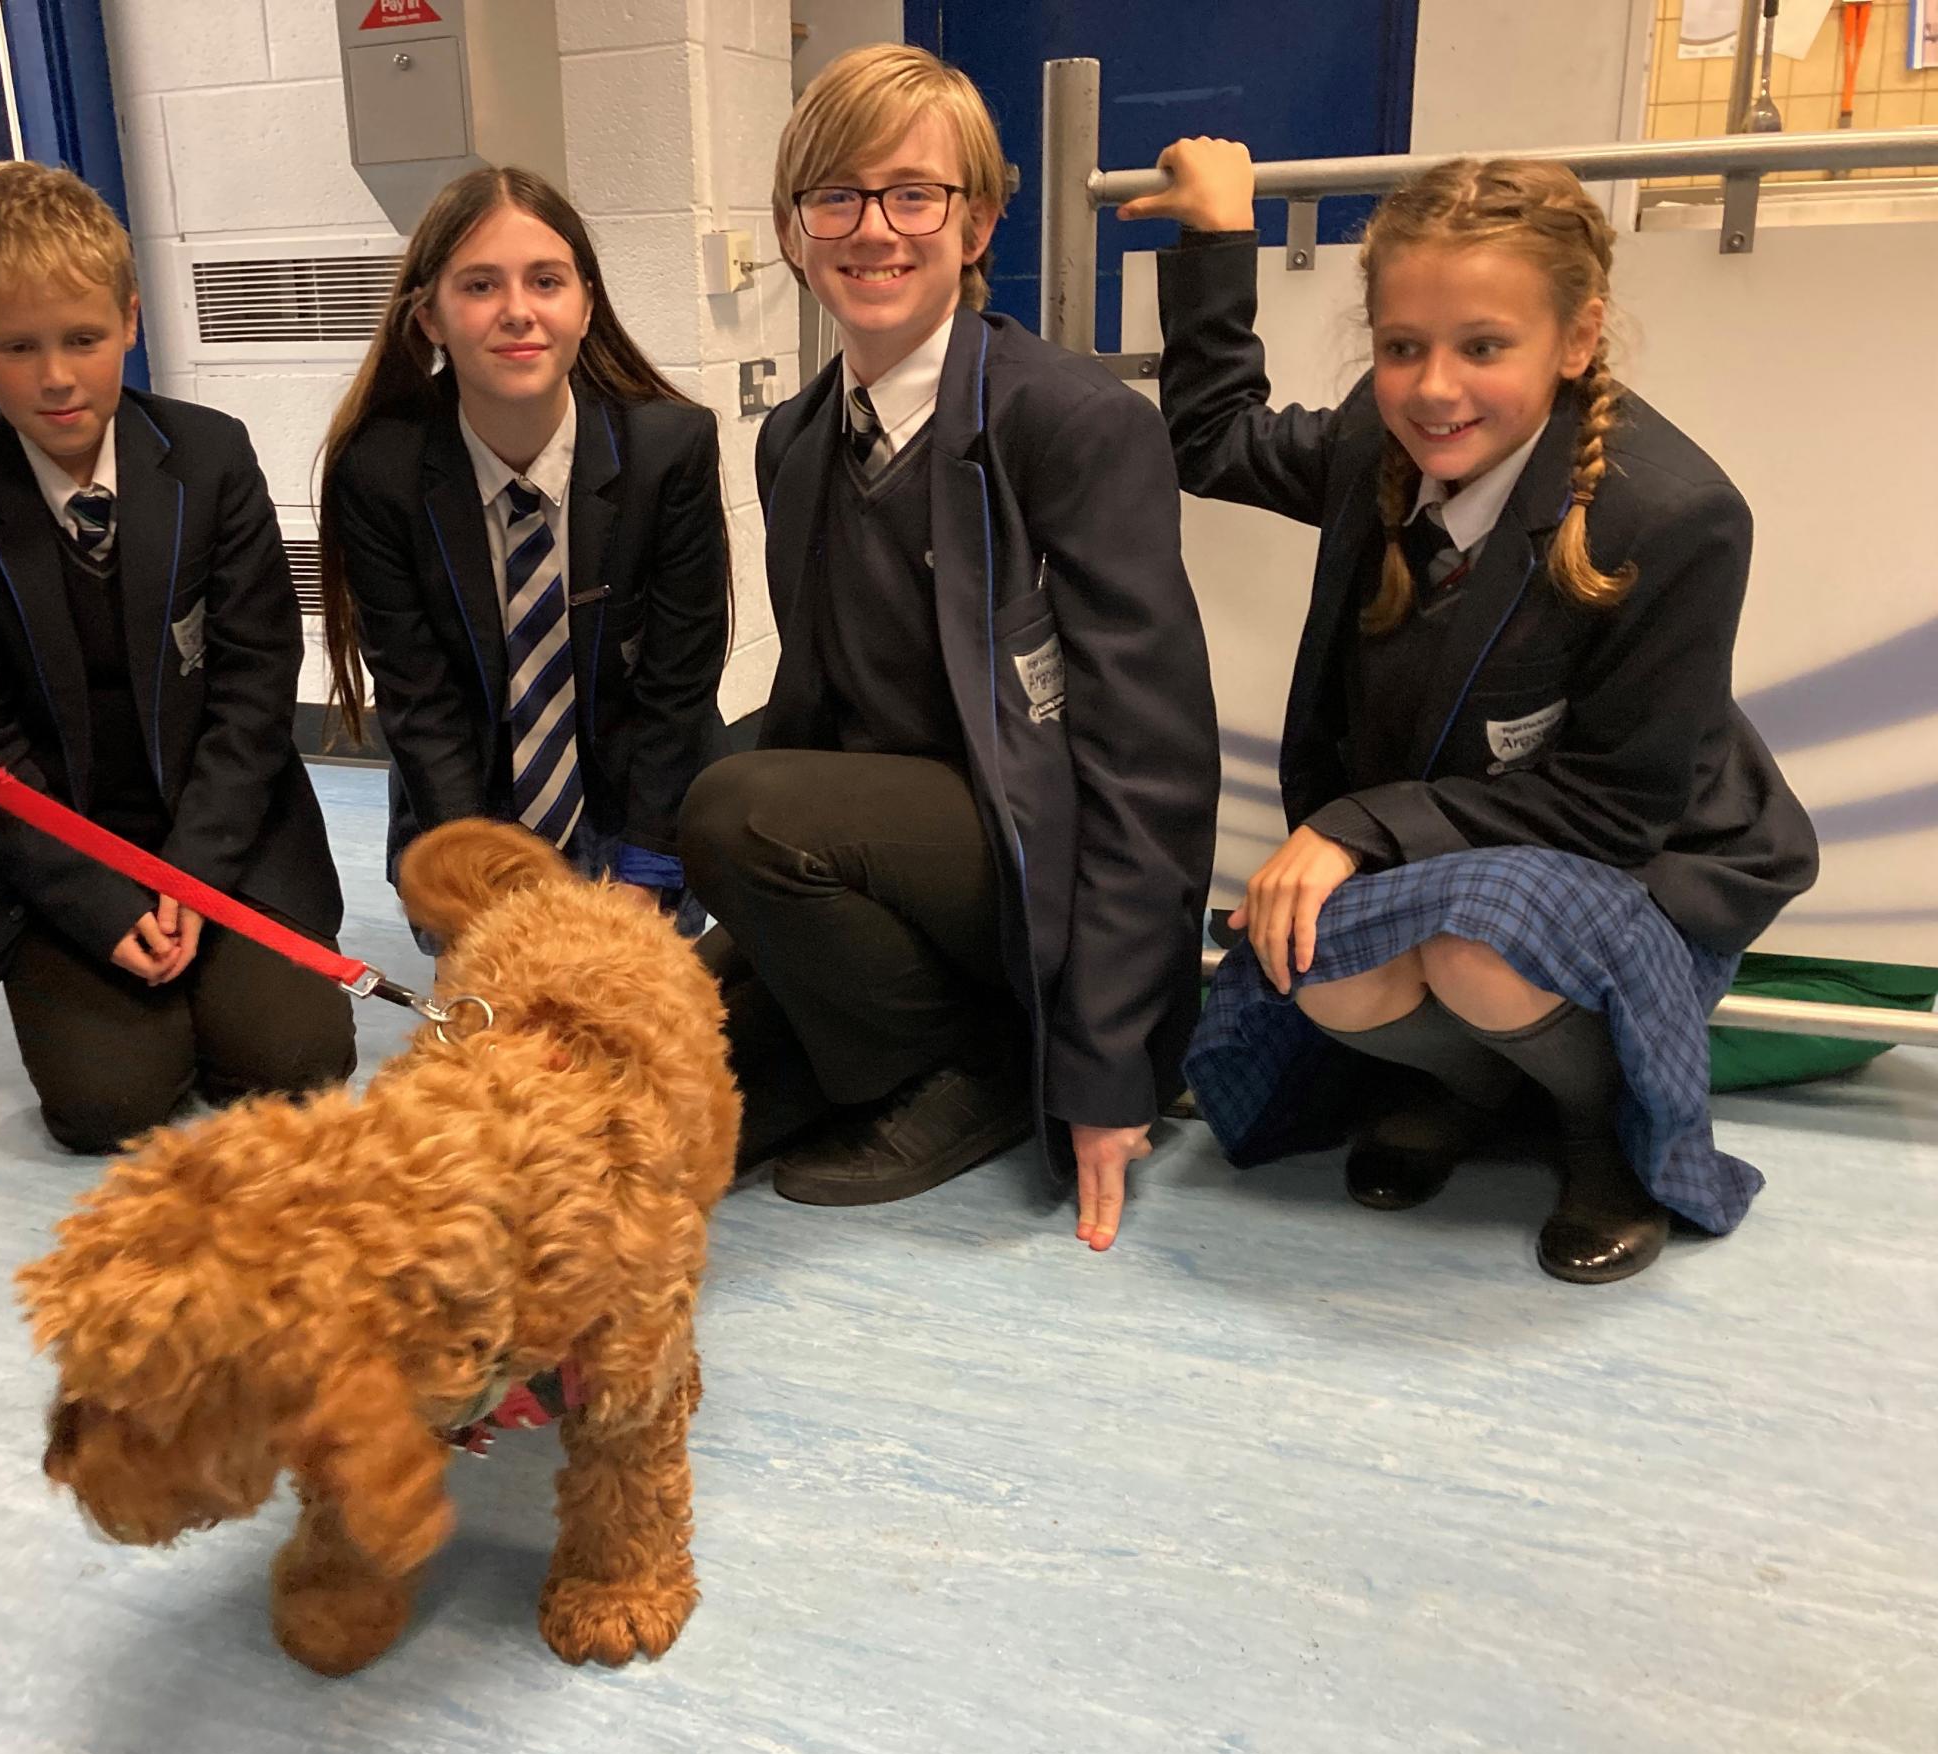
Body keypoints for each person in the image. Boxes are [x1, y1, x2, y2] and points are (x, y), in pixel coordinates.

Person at [1129, 140, 1817, 1283]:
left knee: (1481, 939)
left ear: (1579, 339)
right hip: (1465, 849)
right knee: (1316, 959)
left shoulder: (1678, 516)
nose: (1435, 388)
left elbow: (1614, 809)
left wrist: (1358, 829)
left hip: (1647, 870)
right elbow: (1213, 439)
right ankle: (1471, 1083)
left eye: (1485, 346)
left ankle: (1602, 1132)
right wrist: (1215, 237)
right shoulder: (1375, 438)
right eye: (1403, 348)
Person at [679, 45, 1219, 1249]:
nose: (874, 229)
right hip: (912, 865)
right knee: (668, 1067)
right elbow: (821, 722)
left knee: (738, 807)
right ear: (791, 229)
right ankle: (873, 1047)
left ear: (975, 225)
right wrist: (743, 957)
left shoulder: (1073, 426)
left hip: (1043, 872)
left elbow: (1153, 772)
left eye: (914, 194)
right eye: (837, 196)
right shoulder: (798, 443)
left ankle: (969, 1069)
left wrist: (1112, 1064)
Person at [0, 160, 355, 1153]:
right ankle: (133, 1008)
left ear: (130, 322)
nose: (57, 377)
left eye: (84, 340)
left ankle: (217, 993)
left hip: (223, 832)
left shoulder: (212, 459)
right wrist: (99, 902)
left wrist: (190, 874)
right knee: (104, 1110)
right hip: (60, 853)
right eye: (18, 347)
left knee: (296, 1067)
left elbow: (256, 683)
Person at [318, 167, 729, 930]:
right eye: (479, 286)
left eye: (546, 281)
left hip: (640, 806)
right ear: (430, 317)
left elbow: (679, 687)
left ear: (586, 305)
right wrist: (486, 893)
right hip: (469, 809)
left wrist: (641, 877)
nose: (517, 312)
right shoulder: (379, 474)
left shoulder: (669, 449)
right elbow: (421, 707)